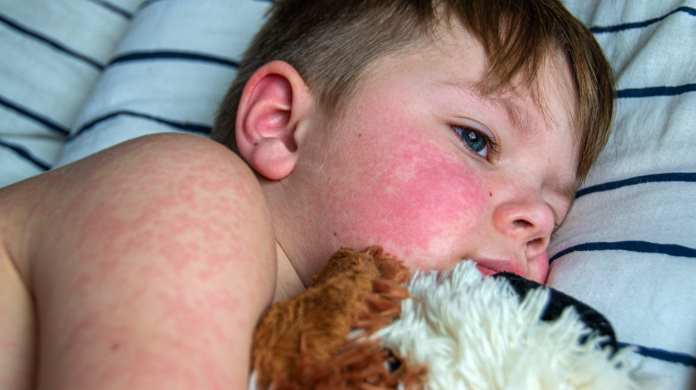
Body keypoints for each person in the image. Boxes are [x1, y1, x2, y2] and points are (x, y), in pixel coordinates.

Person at [0, 0, 613, 388]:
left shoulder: (322, 350)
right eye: (477, 140)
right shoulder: (190, 188)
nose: (534, 219)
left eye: (554, 216)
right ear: (281, 124)